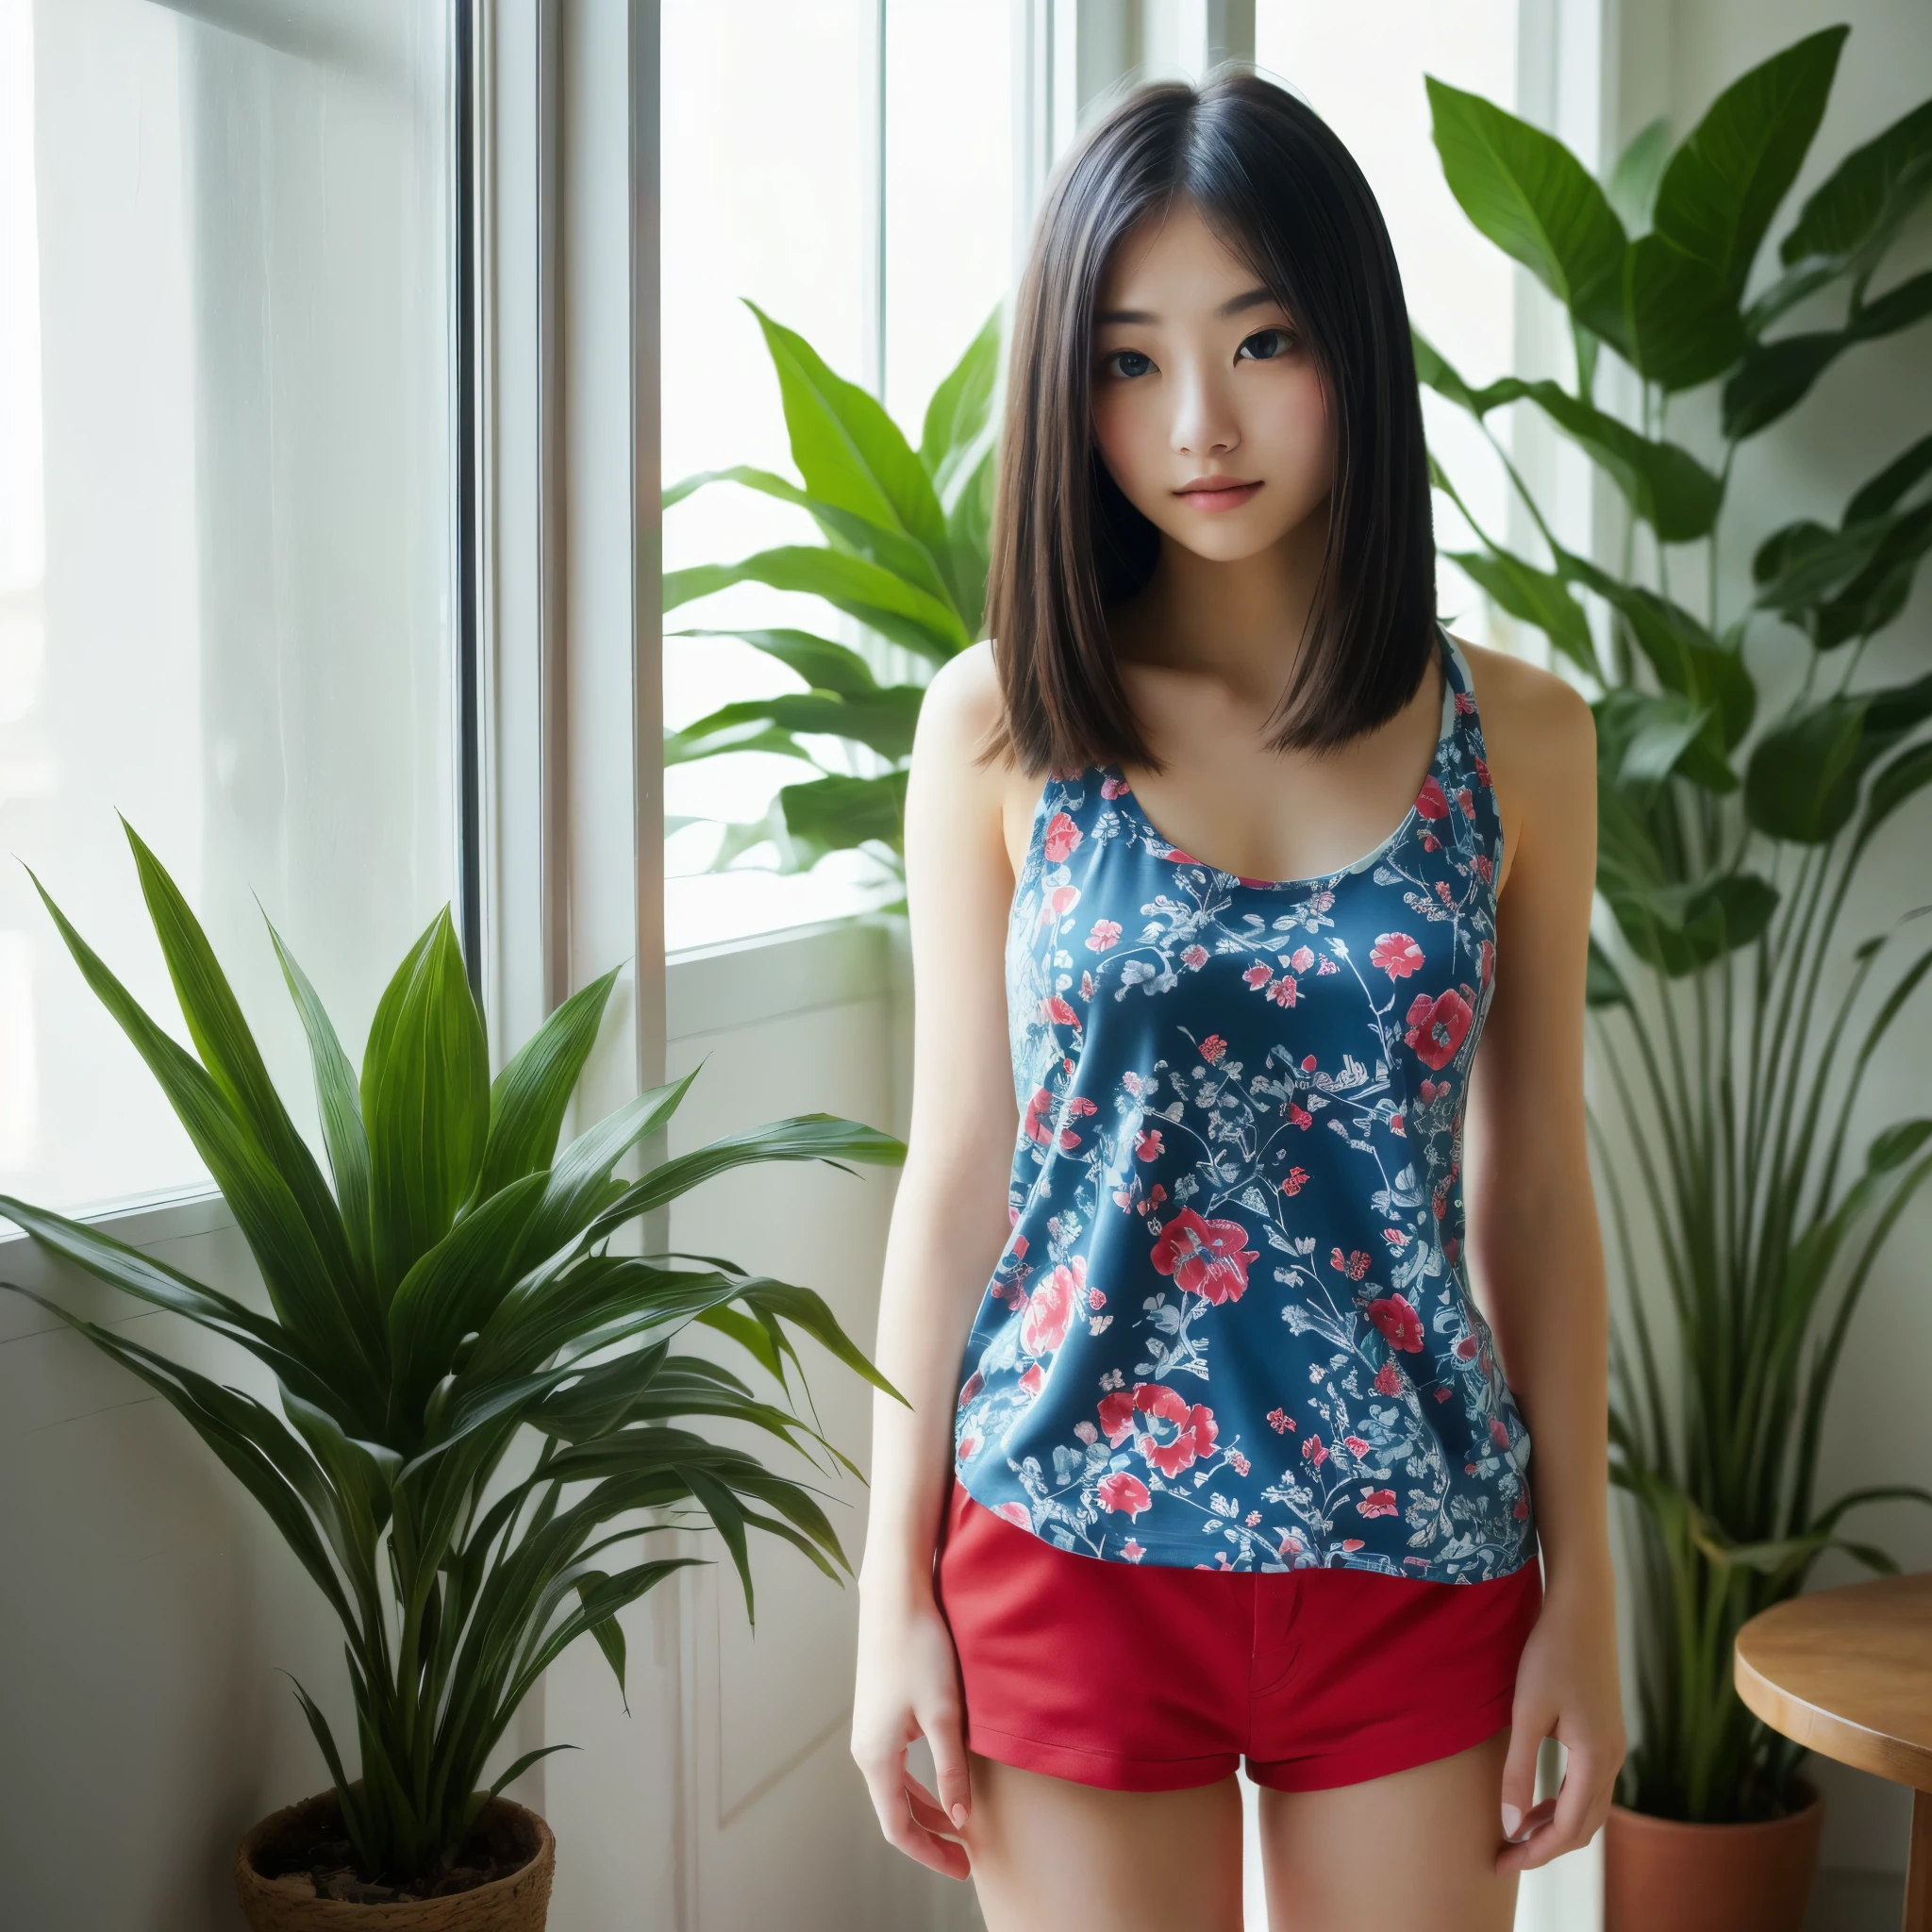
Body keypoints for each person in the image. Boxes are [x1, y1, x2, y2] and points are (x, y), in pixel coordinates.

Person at [851, 69, 1624, 1932]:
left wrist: (1587, 1588)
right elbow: (958, 1166)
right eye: (1127, 360)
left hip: (1415, 1544)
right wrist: (890, 1592)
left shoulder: (1516, 736)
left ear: (1351, 343)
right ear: (1069, 392)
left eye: (1260, 339)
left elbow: (1531, 1181)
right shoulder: (1000, 728)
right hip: (1069, 1542)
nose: (1197, 420)